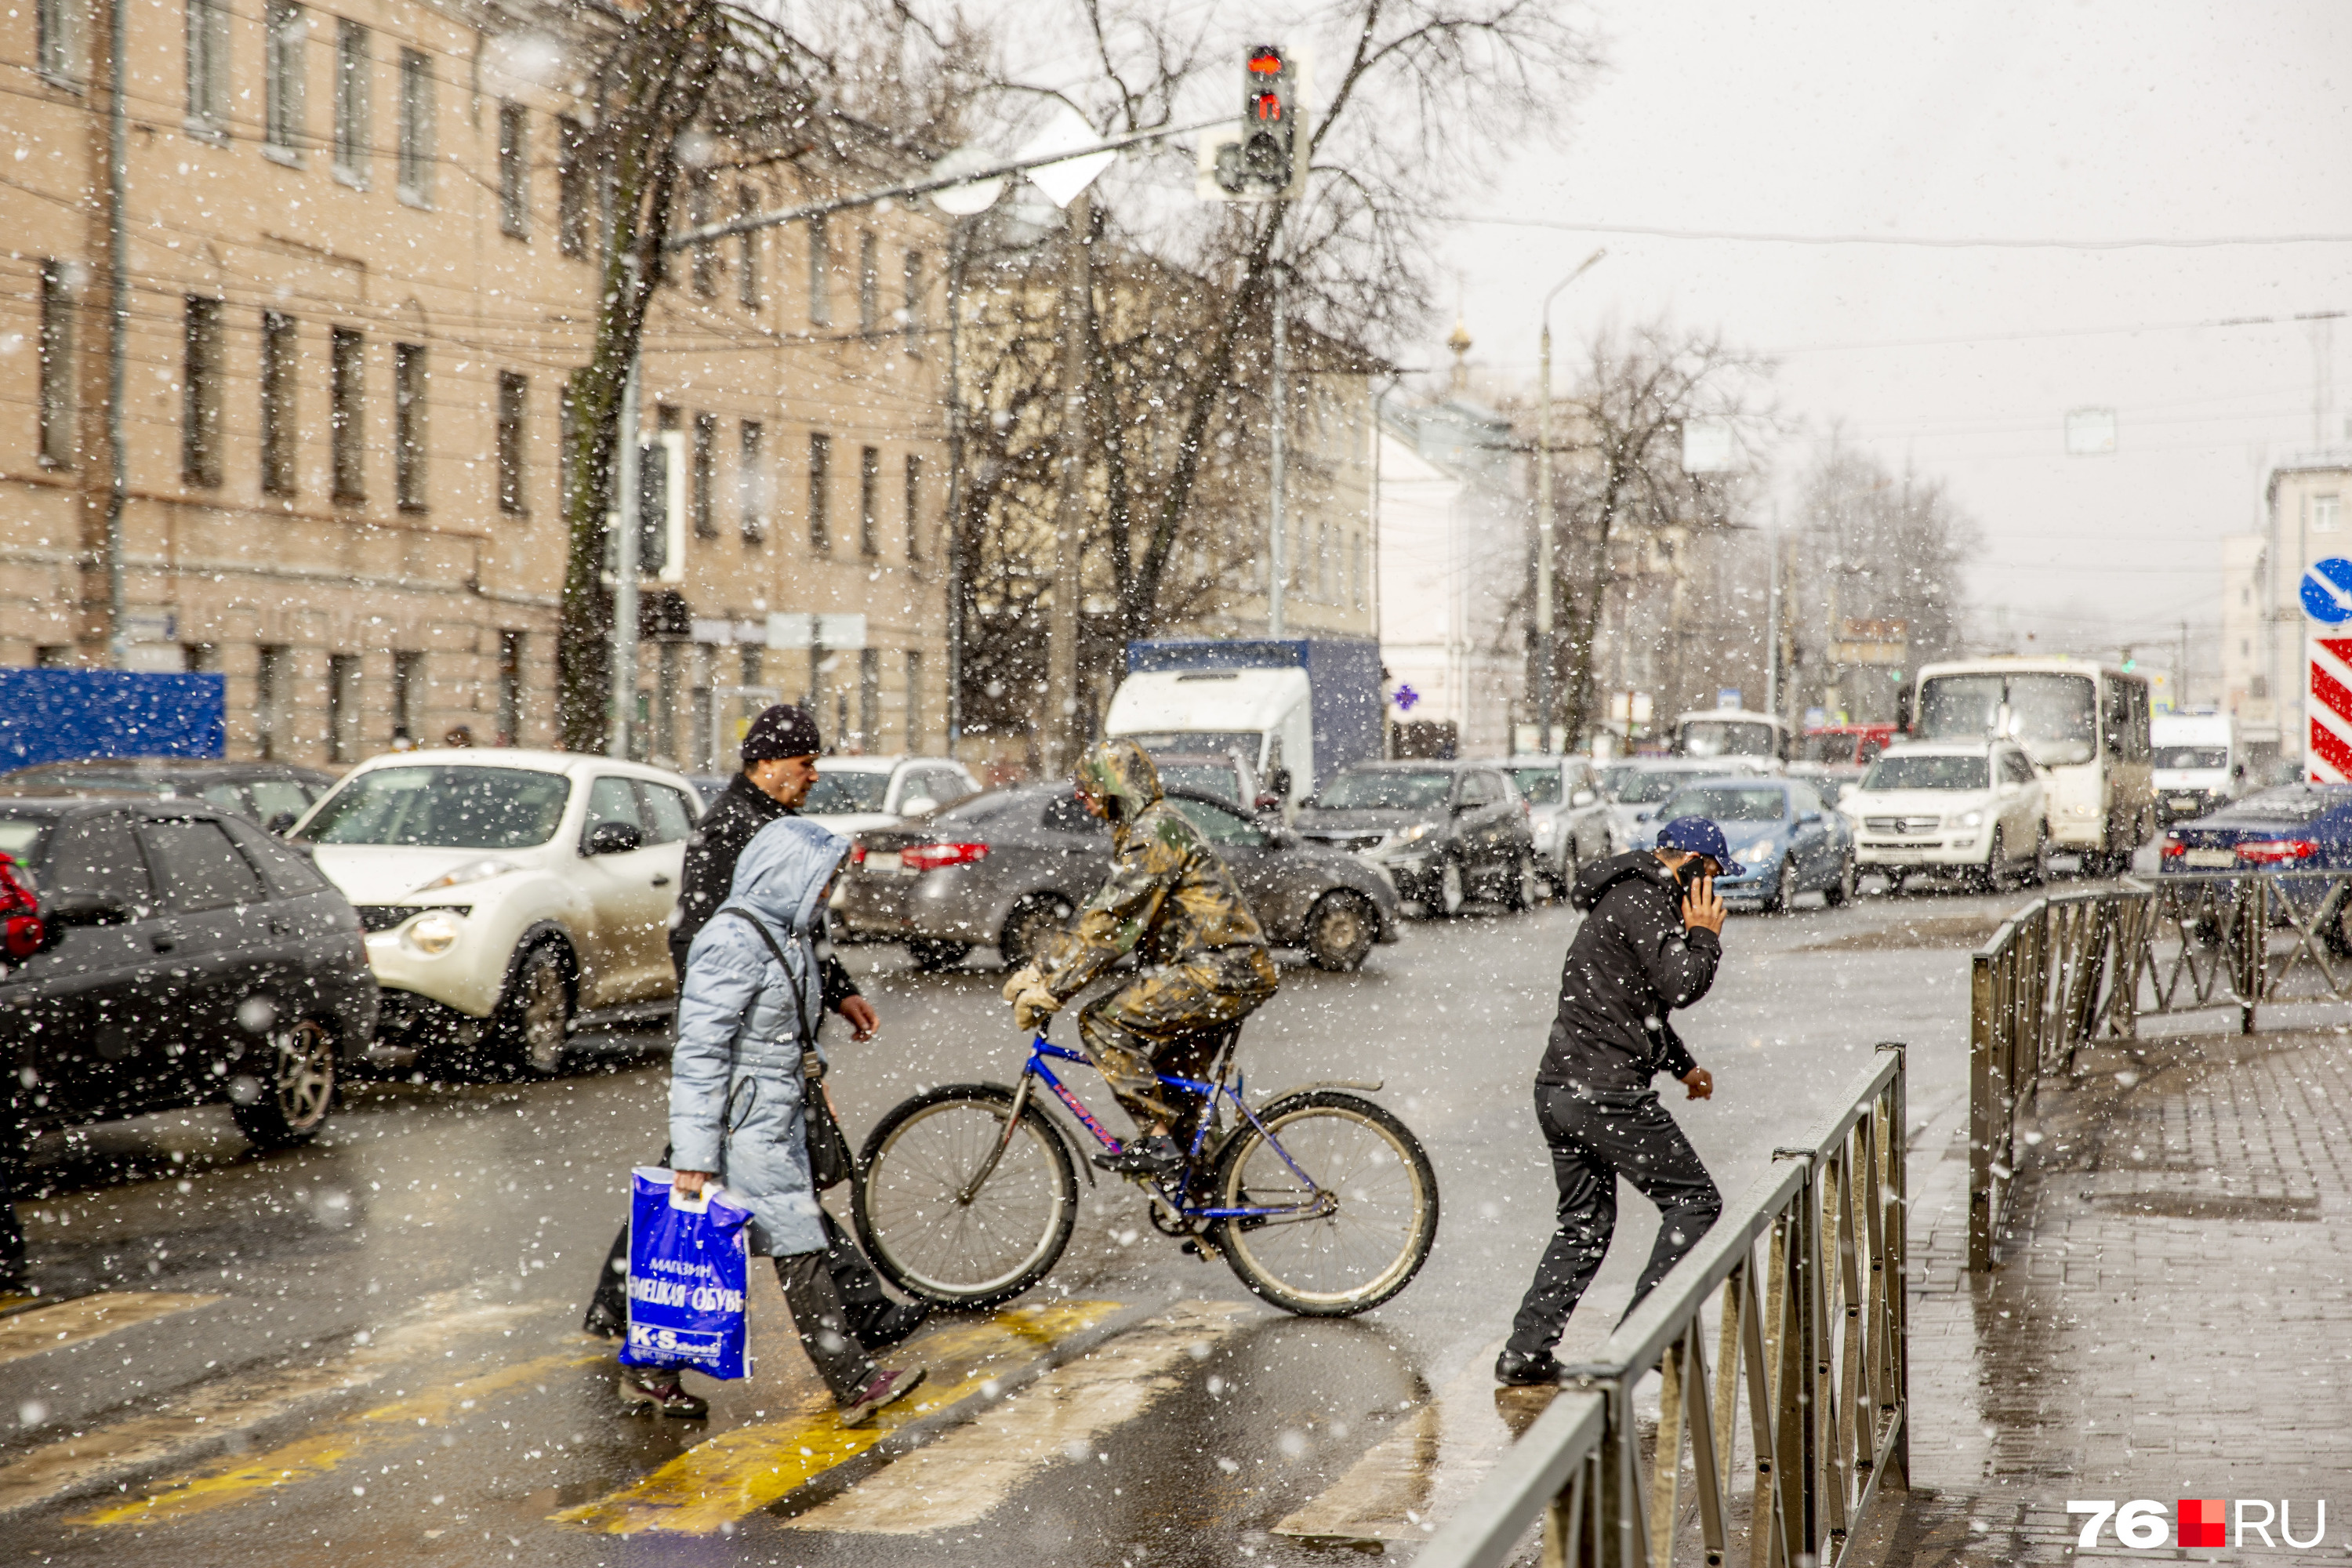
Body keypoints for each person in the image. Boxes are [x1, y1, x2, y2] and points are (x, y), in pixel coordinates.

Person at [583, 702, 926, 1352]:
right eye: (805, 763)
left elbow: (794, 933)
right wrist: (727, 1028)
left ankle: (621, 1301)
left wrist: (840, 991)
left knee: (713, 1173)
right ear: (767, 764)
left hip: (755, 1039)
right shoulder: (730, 831)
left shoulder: (769, 820)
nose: (815, 775)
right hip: (743, 1042)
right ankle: (857, 1316)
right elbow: (704, 940)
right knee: (757, 1178)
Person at [620, 816, 927, 1424]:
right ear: (787, 875)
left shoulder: (785, 935)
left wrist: (812, 1083)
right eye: (821, 881)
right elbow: (701, 1054)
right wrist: (694, 1156)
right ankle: (854, 1381)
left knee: (730, 1244)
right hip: (744, 1125)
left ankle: (649, 1368)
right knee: (798, 1242)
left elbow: (785, 1035)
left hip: (771, 1114)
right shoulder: (732, 941)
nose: (826, 894)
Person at [1496, 815, 1733, 1387]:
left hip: (1561, 1089)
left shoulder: (1626, 897)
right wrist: (1705, 936)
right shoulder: (1646, 901)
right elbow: (1679, 985)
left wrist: (1685, 1067)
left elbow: (1640, 1007)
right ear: (1691, 865)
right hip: (1605, 1094)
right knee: (1696, 1202)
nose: (1715, 894)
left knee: (1585, 1223)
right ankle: (1639, 1339)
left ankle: (1524, 1354)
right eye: (1713, 878)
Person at [1000, 739, 1279, 1178]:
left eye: (1090, 788)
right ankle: (1214, 1196)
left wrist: (1053, 989)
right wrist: (1040, 968)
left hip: (1221, 970)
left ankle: (1156, 1141)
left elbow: (1113, 923)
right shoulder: (1142, 831)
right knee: (1174, 1080)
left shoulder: (1155, 832)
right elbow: (1101, 909)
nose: (1082, 798)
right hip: (1226, 970)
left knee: (1102, 1022)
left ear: (1118, 789)